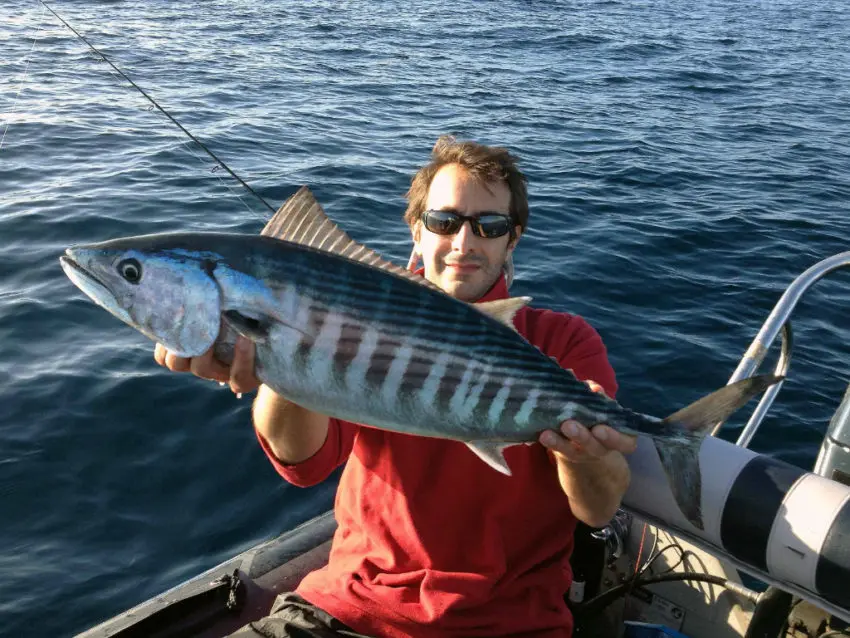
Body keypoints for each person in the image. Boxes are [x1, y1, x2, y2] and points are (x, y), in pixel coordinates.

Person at [154, 135, 637, 637]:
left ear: (512, 240)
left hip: (509, 625)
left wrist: (585, 455)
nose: (464, 244)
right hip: (346, 609)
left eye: (488, 226)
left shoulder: (562, 342)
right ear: (416, 230)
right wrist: (282, 357)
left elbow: (598, 508)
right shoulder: (351, 317)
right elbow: (302, 461)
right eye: (444, 222)